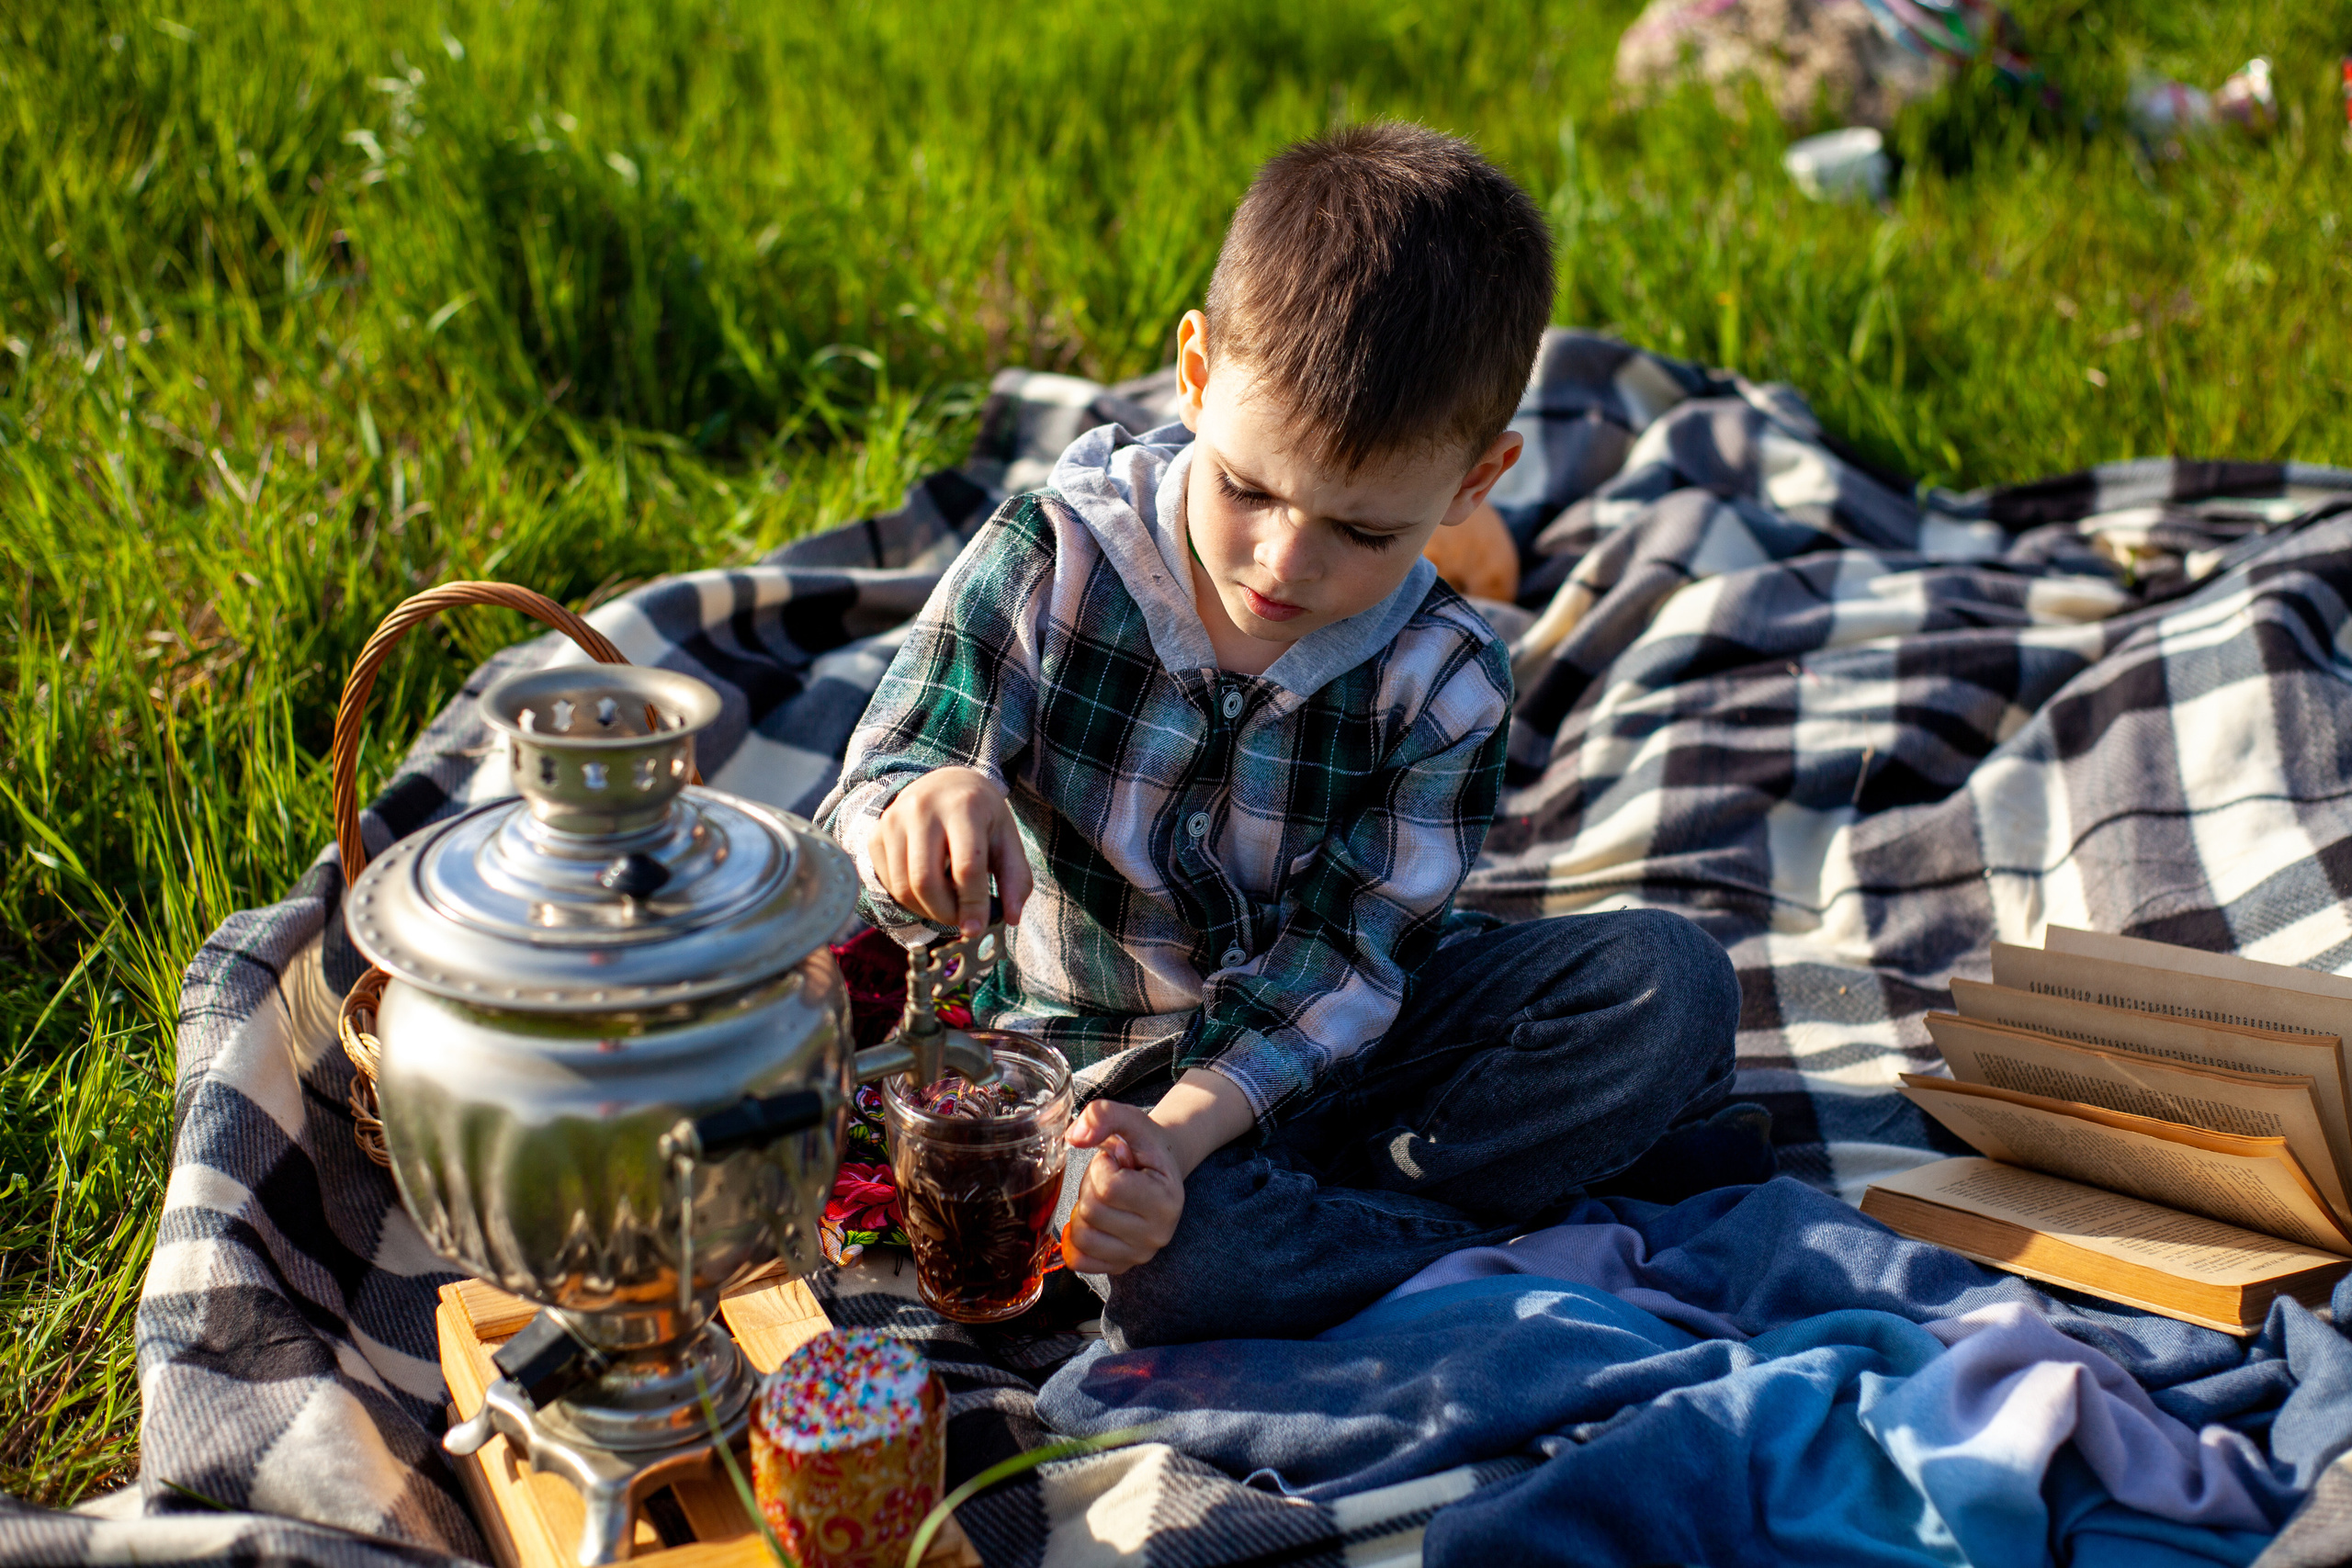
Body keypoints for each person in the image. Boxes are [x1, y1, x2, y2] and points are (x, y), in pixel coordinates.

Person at [817, 121, 1742, 1348]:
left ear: (1476, 482)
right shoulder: (1054, 557)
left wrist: (1199, 1127)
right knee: (1195, 1275)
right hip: (1097, 1070)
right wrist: (920, 809)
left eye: (1363, 533)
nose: (1283, 564)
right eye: (1248, 488)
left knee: (1673, 986)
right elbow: (879, 782)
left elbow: (1354, 962)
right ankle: (1467, 1202)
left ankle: (1354, 1216)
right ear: (1194, 377)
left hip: (1341, 1044)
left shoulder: (1446, 677)